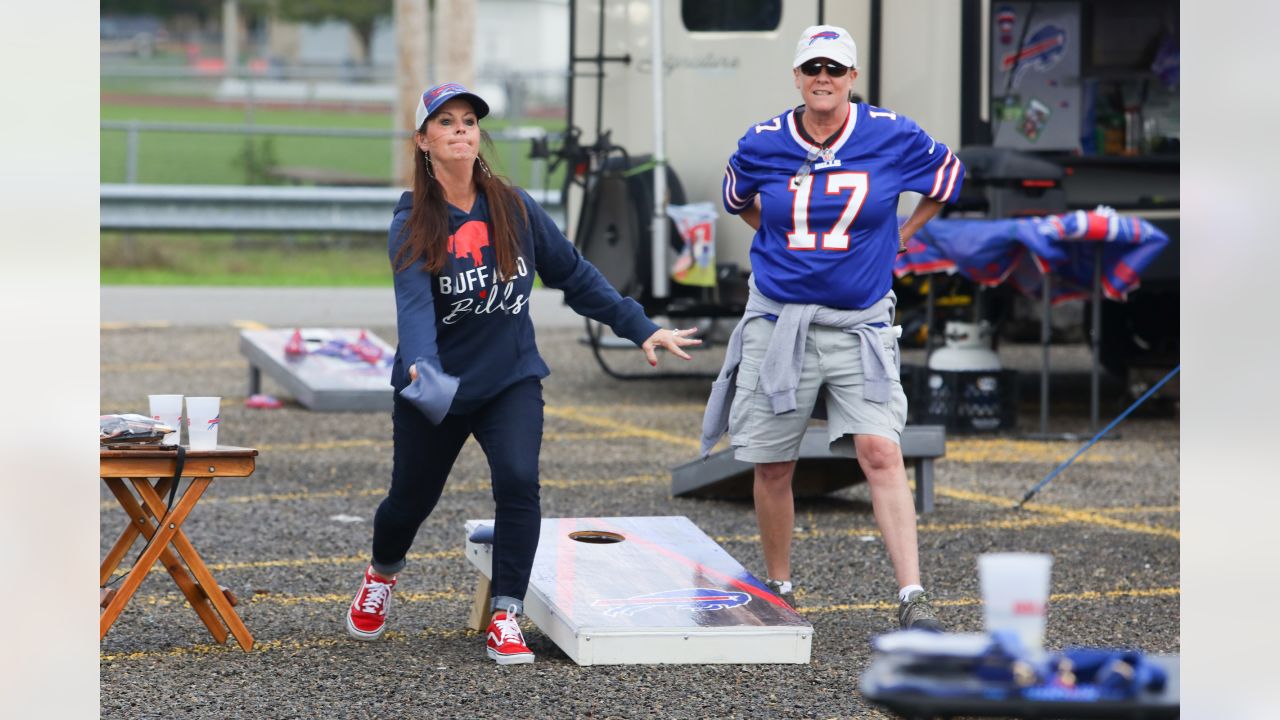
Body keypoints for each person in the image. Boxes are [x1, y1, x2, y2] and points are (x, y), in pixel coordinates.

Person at [346, 82, 701, 664]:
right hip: (435, 384)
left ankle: (505, 613)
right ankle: (382, 573)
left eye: (469, 121)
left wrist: (641, 327)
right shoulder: (411, 220)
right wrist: (422, 367)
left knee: (517, 481)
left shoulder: (513, 205)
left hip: (509, 379)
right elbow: (412, 306)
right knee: (410, 499)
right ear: (423, 140)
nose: (461, 129)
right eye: (446, 122)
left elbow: (576, 275)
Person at [701, 25, 965, 631]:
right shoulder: (764, 140)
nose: (823, 78)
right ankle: (778, 585)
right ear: (796, 76)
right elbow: (737, 195)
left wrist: (906, 232)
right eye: (812, 67)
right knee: (771, 462)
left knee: (880, 448)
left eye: (835, 68)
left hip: (859, 320)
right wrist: (775, 236)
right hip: (779, 316)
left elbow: (948, 178)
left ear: (853, 77)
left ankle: (912, 596)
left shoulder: (893, 133)